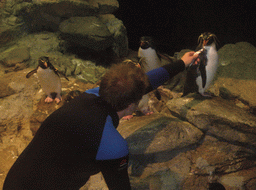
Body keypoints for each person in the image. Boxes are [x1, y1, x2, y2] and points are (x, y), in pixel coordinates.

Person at [3, 52, 198, 190]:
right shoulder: (113, 145)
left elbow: (144, 83)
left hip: (16, 180)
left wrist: (181, 63)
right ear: (132, 105)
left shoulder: (90, 95)